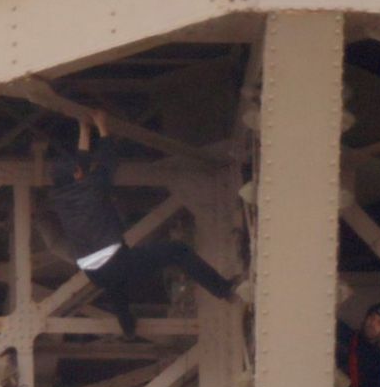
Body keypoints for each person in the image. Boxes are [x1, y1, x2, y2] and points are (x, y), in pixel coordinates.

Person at [44, 109, 240, 338]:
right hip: (115, 260)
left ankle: (127, 326)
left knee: (115, 285)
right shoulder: (92, 187)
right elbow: (108, 160)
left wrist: (85, 129)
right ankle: (223, 289)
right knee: (178, 251)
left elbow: (82, 165)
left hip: (93, 271)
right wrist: (103, 126)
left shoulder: (60, 198)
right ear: (77, 174)